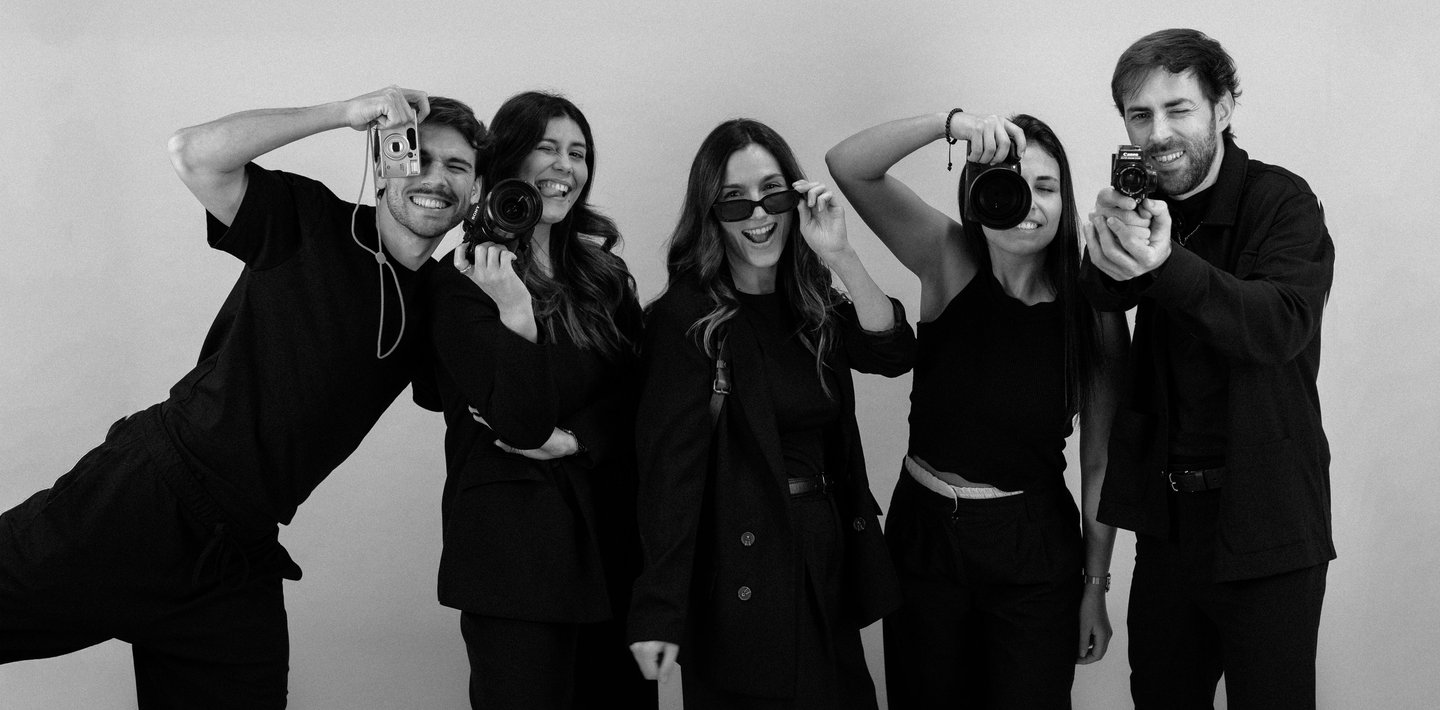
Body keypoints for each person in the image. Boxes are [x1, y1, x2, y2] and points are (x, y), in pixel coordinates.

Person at [0, 87, 486, 708]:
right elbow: (193, 152)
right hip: (147, 497)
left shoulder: (446, 301)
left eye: (457, 167)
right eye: (419, 157)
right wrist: (342, 113)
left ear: (475, 191)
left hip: (238, 554)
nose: (435, 178)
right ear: (386, 161)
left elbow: (487, 403)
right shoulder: (309, 219)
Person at [827, 108, 1128, 708]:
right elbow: (849, 167)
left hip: (1032, 547)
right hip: (924, 537)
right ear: (978, 194)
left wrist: (1095, 587)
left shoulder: (1092, 309)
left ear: (1066, 201)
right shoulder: (949, 258)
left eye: (1046, 187)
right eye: (1009, 185)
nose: (1028, 204)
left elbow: (1100, 464)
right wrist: (952, 124)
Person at [1082, 28, 1335, 709]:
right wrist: (1104, 243)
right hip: (1167, 526)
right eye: (1139, 115)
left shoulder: (1282, 202)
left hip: (1270, 524)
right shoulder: (1142, 203)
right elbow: (1101, 300)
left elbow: (1278, 324)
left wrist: (1167, 263)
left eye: (1178, 109)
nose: (1157, 133)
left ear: (1222, 108)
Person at [626, 118, 914, 710]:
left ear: (796, 198)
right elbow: (669, 476)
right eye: (734, 201)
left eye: (773, 193)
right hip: (741, 570)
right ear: (711, 215)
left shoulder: (812, 305)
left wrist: (840, 254)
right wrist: (659, 608)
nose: (758, 214)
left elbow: (892, 354)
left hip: (824, 556)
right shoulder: (687, 318)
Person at [422, 91, 654, 710]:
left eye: (578, 153)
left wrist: (578, 439)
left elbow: (644, 395)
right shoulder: (460, 281)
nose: (565, 166)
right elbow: (521, 423)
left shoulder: (603, 277)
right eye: (547, 148)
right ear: (508, 161)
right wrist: (517, 313)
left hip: (612, 544)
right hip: (515, 558)